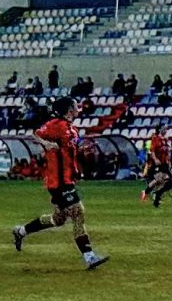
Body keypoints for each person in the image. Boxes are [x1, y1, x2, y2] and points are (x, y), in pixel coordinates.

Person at [10, 97, 107, 269]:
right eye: (76, 106)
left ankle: (21, 231)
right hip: (58, 181)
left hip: (67, 179)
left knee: (59, 219)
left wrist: (82, 149)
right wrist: (46, 143)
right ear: (69, 109)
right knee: (78, 212)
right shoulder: (55, 124)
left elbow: (71, 147)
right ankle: (90, 257)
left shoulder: (72, 130)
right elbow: (36, 133)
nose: (78, 108)